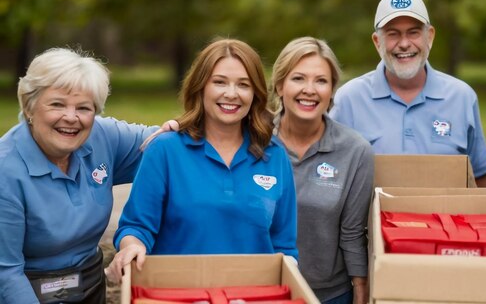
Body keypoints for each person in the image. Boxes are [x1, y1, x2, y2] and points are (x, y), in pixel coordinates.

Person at [105, 38, 298, 283]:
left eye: (243, 84)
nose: (231, 94)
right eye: (219, 82)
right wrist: (131, 246)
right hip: (177, 294)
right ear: (200, 87)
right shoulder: (165, 150)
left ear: (255, 93)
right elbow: (136, 226)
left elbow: (284, 246)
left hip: (252, 295)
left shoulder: (275, 155)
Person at [0, 48, 158, 303]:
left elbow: (167, 146)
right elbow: (5, 273)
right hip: (26, 291)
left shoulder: (102, 136)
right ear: (29, 106)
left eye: (84, 108)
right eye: (57, 104)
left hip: (91, 283)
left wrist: (179, 130)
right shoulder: (5, 171)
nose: (71, 117)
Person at [329, 0, 486, 187]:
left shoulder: (462, 97)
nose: (405, 43)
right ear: (377, 42)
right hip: (370, 217)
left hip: (445, 216)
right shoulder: (349, 99)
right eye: (393, 34)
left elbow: (482, 177)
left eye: (414, 32)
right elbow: (330, 176)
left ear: (430, 36)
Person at [270, 37, 374, 304]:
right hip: (262, 290)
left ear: (332, 90)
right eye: (298, 79)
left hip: (330, 295)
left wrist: (361, 289)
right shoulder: (253, 142)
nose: (309, 90)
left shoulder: (355, 151)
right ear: (280, 85)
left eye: (321, 81)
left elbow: (352, 233)